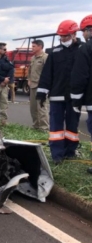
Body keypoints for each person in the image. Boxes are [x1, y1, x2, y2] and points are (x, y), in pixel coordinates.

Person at [37, 20, 84, 165]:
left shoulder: (83, 50)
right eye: (61, 37)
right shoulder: (54, 52)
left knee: (72, 125)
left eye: (66, 36)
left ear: (74, 34)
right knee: (56, 127)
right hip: (57, 95)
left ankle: (70, 152)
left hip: (75, 96)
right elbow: (47, 74)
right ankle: (57, 155)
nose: (63, 39)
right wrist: (41, 92)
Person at [70, 14, 92, 172]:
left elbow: (80, 76)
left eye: (84, 31)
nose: (82, 34)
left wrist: (76, 100)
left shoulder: (86, 48)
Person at [28, 39, 49, 132]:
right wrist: (29, 79)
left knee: (41, 108)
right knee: (33, 108)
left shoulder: (45, 57)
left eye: (34, 46)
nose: (32, 48)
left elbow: (48, 72)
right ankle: (36, 126)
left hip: (42, 87)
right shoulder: (33, 58)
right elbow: (30, 70)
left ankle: (44, 128)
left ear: (40, 46)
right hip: (33, 85)